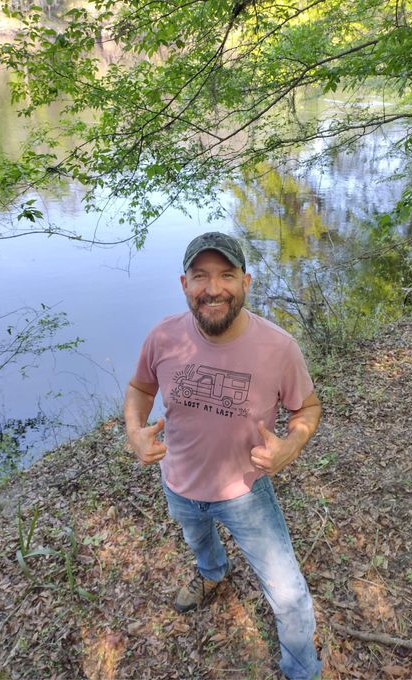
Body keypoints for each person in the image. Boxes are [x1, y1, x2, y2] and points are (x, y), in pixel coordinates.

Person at [124, 232, 322, 680]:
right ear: (184, 284)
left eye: (226, 275)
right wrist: (135, 431)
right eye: (201, 276)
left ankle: (302, 672)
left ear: (246, 282)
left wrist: (291, 445)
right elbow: (139, 387)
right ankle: (212, 573)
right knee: (198, 541)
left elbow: (307, 407)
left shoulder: (278, 347)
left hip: (245, 493)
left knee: (288, 595)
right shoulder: (163, 337)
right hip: (178, 483)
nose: (213, 288)